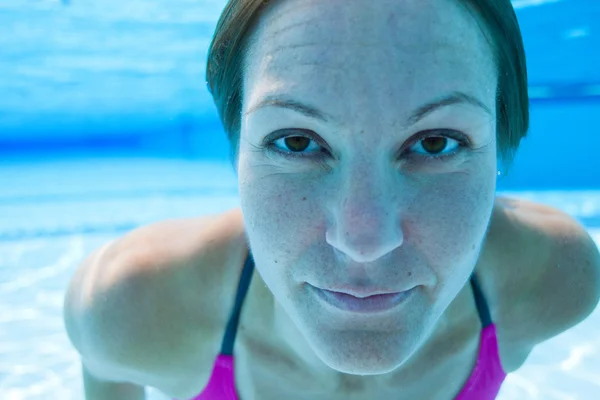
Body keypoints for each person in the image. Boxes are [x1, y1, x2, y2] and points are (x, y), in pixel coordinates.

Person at [63, 0, 600, 399]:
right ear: (236, 156)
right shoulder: (133, 308)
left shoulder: (557, 279)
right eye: (296, 142)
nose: (364, 240)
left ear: (501, 151)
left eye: (435, 143)